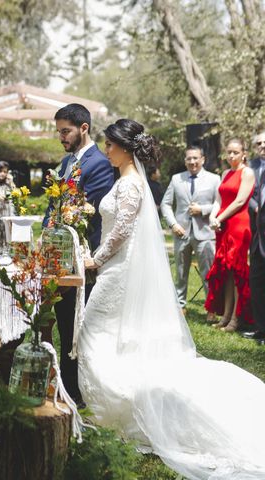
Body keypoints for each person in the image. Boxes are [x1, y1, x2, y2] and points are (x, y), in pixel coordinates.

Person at [80, 119, 265, 480]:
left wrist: (96, 259)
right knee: (105, 331)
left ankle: (120, 406)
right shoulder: (126, 180)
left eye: (110, 145)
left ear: (124, 147)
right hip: (114, 267)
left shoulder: (132, 184)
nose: (106, 150)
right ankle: (114, 405)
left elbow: (121, 231)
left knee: (92, 328)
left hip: (117, 268)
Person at [41, 103, 115, 404]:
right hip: (59, 257)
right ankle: (68, 385)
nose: (62, 137)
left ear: (84, 128)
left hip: (82, 258)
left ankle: (78, 391)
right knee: (63, 323)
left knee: (78, 328)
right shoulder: (66, 163)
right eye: (59, 132)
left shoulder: (99, 163)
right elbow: (54, 208)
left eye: (66, 131)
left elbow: (86, 213)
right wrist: (46, 235)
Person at [160, 146, 220, 313]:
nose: (192, 162)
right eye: (189, 159)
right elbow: (165, 204)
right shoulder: (176, 179)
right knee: (180, 271)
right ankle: (180, 305)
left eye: (195, 158)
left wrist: (203, 210)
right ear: (185, 161)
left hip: (205, 232)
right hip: (182, 232)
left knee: (208, 272)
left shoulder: (214, 179)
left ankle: (212, 308)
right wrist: (173, 224)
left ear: (203, 159)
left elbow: (219, 203)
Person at [204, 139, 255, 332]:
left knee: (236, 272)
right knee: (225, 272)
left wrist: (220, 218)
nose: (231, 156)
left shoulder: (247, 172)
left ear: (244, 153)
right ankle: (225, 316)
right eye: (229, 152)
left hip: (238, 225)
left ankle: (236, 318)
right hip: (222, 225)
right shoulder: (225, 173)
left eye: (235, 152)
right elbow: (219, 199)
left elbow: (240, 200)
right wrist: (212, 216)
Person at [244, 131, 265, 344]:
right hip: (257, 235)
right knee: (257, 281)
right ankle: (260, 328)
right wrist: (255, 206)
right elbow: (248, 194)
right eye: (259, 143)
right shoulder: (251, 167)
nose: (262, 146)